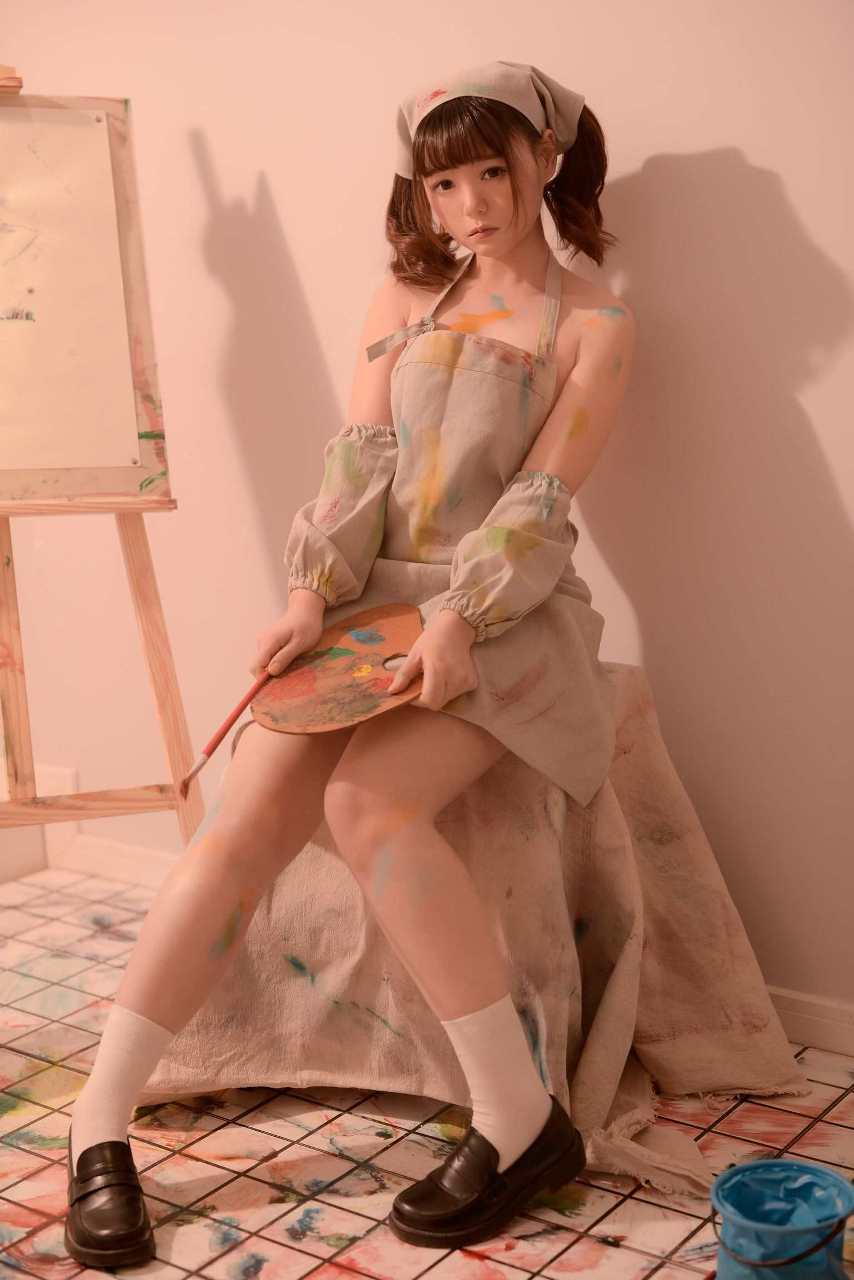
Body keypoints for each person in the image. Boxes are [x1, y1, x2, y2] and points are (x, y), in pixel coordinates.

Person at [64, 59, 636, 1266]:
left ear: (542, 162)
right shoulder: (401, 298)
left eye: (491, 172)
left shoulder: (594, 323)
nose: (470, 204)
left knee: (366, 801)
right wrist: (303, 595)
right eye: (444, 182)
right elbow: (356, 461)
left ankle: (518, 1117)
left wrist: (458, 618)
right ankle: (96, 1121)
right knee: (241, 818)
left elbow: (540, 502)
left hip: (504, 613)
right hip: (370, 607)